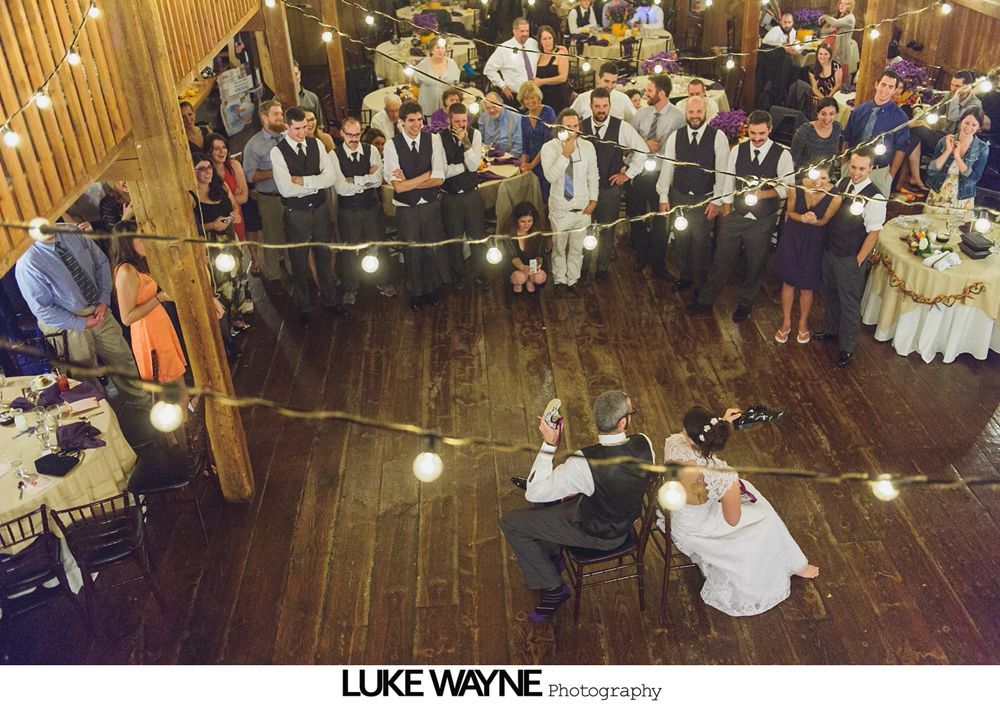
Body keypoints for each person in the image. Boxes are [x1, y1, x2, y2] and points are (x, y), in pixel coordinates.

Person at [499, 390, 654, 622]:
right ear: (623, 422)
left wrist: (549, 445)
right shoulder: (645, 443)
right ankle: (553, 556)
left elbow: (534, 491)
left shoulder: (583, 462)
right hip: (621, 517)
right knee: (550, 497)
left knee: (511, 523)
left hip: (600, 534)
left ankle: (553, 588)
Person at [661, 406, 818, 617]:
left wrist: (722, 422)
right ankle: (795, 563)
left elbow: (693, 449)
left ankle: (794, 562)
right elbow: (733, 521)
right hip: (701, 528)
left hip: (677, 518)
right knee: (765, 516)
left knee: (748, 492)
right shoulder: (723, 476)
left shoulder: (673, 445)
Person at [14, 225, 148, 405]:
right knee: (84, 377)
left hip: (98, 307)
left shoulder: (70, 230)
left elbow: (101, 263)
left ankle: (143, 408)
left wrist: (103, 299)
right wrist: (80, 322)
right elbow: (42, 309)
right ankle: (102, 420)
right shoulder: (28, 261)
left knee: (123, 360)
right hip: (67, 321)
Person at [687, 110, 794, 322]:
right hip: (736, 215)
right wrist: (726, 211)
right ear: (748, 130)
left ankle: (745, 303)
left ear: (770, 130)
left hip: (763, 220)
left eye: (762, 133)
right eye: (753, 133)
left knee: (756, 264)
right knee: (721, 259)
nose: (757, 138)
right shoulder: (738, 151)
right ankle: (706, 299)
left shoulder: (782, 155)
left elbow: (787, 187)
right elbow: (728, 182)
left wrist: (763, 194)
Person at [269, 107, 350, 326]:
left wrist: (304, 182)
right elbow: (286, 189)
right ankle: (304, 307)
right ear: (287, 127)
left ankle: (330, 300)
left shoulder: (316, 144)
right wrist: (316, 181)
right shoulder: (278, 152)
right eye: (297, 128)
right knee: (299, 262)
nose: (302, 132)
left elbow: (330, 177)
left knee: (324, 255)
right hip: (297, 214)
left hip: (320, 210)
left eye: (305, 127)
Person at [816, 149, 886, 368]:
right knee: (829, 294)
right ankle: (831, 330)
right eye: (854, 167)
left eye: (862, 169)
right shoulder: (845, 183)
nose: (856, 173)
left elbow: (874, 233)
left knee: (849, 303)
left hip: (849, 258)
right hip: (830, 251)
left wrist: (858, 261)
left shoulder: (875, 197)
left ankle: (847, 347)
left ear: (871, 169)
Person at [657, 95, 729, 295]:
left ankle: (700, 284)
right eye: (691, 112)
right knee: (681, 240)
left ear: (705, 112)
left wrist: (717, 201)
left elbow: (722, 172)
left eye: (699, 112)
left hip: (703, 199)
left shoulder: (718, 137)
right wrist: (664, 197)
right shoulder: (675, 137)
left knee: (701, 244)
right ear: (686, 114)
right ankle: (685, 276)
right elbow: (667, 167)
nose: (695, 116)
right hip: (679, 196)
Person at [383, 100, 451, 311]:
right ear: (401, 122)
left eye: (419, 119)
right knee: (412, 252)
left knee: (431, 249)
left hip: (430, 205)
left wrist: (409, 181)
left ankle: (432, 289)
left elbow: (440, 178)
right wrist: (425, 175)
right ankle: (416, 292)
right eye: (411, 120)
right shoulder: (391, 145)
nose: (416, 124)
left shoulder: (434, 140)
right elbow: (399, 188)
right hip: (407, 209)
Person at [109, 227, 187, 410]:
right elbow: (127, 317)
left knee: (173, 387)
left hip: (159, 325)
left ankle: (176, 435)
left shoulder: (139, 264)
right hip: (148, 332)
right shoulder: (126, 271)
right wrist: (160, 297)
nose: (145, 242)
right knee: (171, 388)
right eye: (140, 239)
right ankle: (176, 435)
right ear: (126, 242)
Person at [581, 88, 647, 281]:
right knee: (584, 229)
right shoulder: (581, 126)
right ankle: (583, 266)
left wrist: (628, 174)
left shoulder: (622, 127)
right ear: (590, 106)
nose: (601, 110)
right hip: (585, 191)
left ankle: (602, 268)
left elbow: (642, 150)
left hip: (610, 189)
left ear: (609, 105)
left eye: (605, 106)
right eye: (597, 106)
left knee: (607, 230)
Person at [773, 165, 842, 344]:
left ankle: (802, 322)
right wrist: (803, 218)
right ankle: (786, 320)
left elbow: (826, 220)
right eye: (815, 177)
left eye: (824, 179)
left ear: (831, 179)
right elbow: (790, 212)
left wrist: (815, 220)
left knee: (807, 285)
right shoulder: (795, 187)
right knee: (788, 282)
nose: (818, 183)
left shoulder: (835, 197)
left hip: (814, 241)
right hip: (793, 237)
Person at [330, 117, 396, 304]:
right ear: (342, 133)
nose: (354, 138)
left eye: (357, 134)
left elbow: (377, 180)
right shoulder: (334, 155)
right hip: (348, 211)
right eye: (349, 135)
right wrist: (366, 178)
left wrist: (354, 180)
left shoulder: (372, 150)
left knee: (378, 246)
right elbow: (341, 188)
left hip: (371, 208)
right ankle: (351, 288)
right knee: (351, 250)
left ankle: (383, 282)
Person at [629, 74, 685, 279]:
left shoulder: (678, 118)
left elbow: (679, 148)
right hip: (640, 172)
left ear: (661, 94)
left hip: (662, 175)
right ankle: (641, 253)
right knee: (636, 217)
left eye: (650, 91)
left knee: (661, 221)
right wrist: (645, 144)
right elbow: (629, 142)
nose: (645, 93)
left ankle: (658, 262)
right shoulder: (641, 114)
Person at [192, 152, 253, 336]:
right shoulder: (191, 196)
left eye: (208, 167)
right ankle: (225, 320)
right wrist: (212, 225)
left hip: (228, 237)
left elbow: (235, 205)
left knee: (237, 275)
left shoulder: (221, 185)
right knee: (221, 282)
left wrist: (234, 214)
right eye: (201, 169)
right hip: (210, 243)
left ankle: (239, 316)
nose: (207, 172)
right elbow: (191, 225)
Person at [541, 109, 600, 290]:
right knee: (559, 248)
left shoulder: (588, 147)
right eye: (568, 127)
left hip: (582, 208)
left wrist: (593, 200)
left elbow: (593, 175)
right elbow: (550, 177)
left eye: (576, 126)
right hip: (560, 208)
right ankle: (559, 280)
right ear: (559, 127)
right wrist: (565, 154)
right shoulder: (549, 148)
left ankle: (573, 279)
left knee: (577, 248)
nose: (573, 131)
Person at [904, 71, 989, 191]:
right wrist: (918, 114)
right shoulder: (949, 95)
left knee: (917, 130)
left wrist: (955, 98)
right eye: (952, 84)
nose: (953, 88)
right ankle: (913, 177)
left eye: (957, 86)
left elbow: (953, 118)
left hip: (957, 141)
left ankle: (914, 177)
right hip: (943, 135)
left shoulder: (974, 104)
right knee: (914, 136)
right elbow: (936, 111)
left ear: (967, 87)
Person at [440, 102, 490, 290]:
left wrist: (466, 143)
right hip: (450, 196)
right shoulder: (439, 138)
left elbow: (473, 165)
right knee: (454, 237)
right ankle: (458, 273)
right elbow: (443, 171)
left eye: (464, 121)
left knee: (477, 236)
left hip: (471, 195)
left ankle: (479, 273)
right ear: (449, 120)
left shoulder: (474, 134)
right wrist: (462, 166)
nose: (461, 125)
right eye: (457, 121)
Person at [243, 99, 290, 289]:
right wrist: (276, 171)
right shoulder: (254, 146)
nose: (281, 117)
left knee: (292, 234)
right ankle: (274, 276)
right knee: (271, 237)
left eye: (281, 113)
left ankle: (294, 269)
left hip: (292, 195)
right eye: (276, 114)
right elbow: (250, 175)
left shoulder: (288, 137)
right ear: (264, 118)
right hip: (270, 197)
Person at [843, 69, 909, 196]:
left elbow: (901, 149)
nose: (885, 90)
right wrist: (845, 165)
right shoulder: (859, 111)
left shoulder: (900, 118)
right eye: (883, 85)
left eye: (890, 87)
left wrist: (891, 174)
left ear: (895, 90)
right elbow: (847, 139)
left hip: (879, 171)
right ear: (876, 85)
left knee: (875, 208)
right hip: (853, 168)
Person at [924, 107, 990, 216]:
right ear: (961, 122)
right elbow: (931, 171)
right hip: (938, 191)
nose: (969, 127)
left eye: (974, 125)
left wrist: (958, 157)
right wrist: (948, 151)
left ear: (978, 127)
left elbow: (974, 179)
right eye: (967, 123)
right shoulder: (945, 141)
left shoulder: (982, 148)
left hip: (962, 196)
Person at [484, 17, 540, 106]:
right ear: (514, 31)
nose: (525, 34)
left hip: (533, 94)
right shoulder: (504, 48)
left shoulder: (533, 43)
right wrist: (503, 86)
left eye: (527, 31)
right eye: (522, 31)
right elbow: (489, 69)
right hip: (514, 96)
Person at [207, 133, 249, 244]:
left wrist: (222, 199)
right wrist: (233, 196)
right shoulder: (206, 172)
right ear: (209, 152)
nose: (222, 151)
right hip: (216, 221)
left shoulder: (234, 165)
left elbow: (244, 197)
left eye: (224, 147)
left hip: (235, 216)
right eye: (216, 149)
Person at [518, 82, 558, 202]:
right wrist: (524, 164)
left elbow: (548, 144)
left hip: (548, 162)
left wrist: (531, 165)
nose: (529, 101)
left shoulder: (548, 112)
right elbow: (525, 145)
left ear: (538, 97)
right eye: (526, 98)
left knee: (547, 199)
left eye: (532, 97)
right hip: (532, 163)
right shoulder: (524, 118)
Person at [790, 96, 843, 176]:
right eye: (823, 114)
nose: (827, 118)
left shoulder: (837, 127)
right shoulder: (805, 131)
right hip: (805, 177)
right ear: (817, 113)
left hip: (826, 176)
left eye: (831, 114)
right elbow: (792, 160)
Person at [503, 201, 548, 293]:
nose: (527, 225)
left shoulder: (537, 231)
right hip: (515, 265)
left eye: (529, 221)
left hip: (533, 264)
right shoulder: (509, 233)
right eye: (522, 221)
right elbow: (513, 256)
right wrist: (523, 267)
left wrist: (537, 266)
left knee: (539, 277)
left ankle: (530, 280)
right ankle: (520, 281)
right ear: (516, 220)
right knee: (519, 278)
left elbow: (539, 254)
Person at [570, 62, 637, 122]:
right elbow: (567, 119)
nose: (610, 86)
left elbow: (636, 122)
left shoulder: (623, 99)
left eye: (613, 82)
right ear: (598, 79)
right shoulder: (583, 98)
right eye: (606, 81)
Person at [413, 39, 461, 118]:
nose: (440, 51)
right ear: (431, 50)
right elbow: (414, 80)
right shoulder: (423, 65)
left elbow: (456, 83)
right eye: (437, 48)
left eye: (442, 48)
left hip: (447, 108)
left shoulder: (452, 63)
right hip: (428, 106)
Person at [533, 26, 571, 114]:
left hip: (558, 97)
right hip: (542, 98)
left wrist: (542, 81)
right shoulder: (538, 54)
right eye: (544, 39)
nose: (548, 42)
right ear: (540, 41)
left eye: (550, 38)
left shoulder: (560, 53)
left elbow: (563, 77)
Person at [819, 0, 856, 90]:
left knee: (837, 78)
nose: (842, 5)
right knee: (827, 77)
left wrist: (824, 16)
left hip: (840, 52)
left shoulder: (850, 18)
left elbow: (835, 23)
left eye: (846, 4)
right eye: (841, 3)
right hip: (830, 49)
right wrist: (831, 29)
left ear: (850, 6)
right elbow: (823, 30)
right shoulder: (838, 17)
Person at [478, 92, 523, 157]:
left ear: (501, 102)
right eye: (488, 108)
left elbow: (519, 144)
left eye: (494, 107)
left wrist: (508, 159)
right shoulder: (484, 117)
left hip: (509, 156)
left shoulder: (515, 116)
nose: (492, 110)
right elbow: (480, 139)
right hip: (488, 155)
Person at [292, 60, 324, 128]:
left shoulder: (312, 98)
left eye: (296, 74)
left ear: (300, 74)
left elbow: (319, 126)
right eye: (290, 75)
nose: (294, 78)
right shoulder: (278, 99)